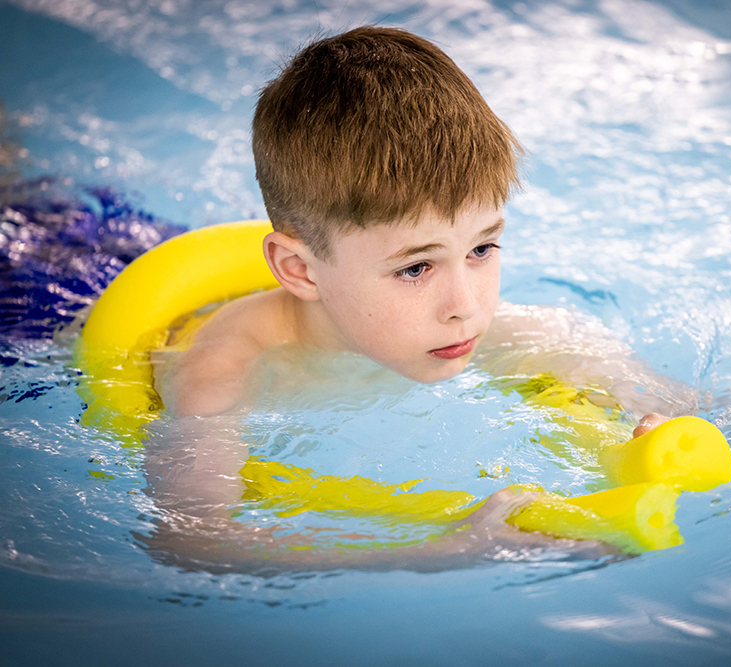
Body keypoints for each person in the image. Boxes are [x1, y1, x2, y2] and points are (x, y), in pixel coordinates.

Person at [145, 26, 695, 571]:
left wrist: (646, 423)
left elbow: (684, 406)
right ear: (300, 271)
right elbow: (191, 542)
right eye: (416, 267)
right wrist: (440, 553)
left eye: (482, 248)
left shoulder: (481, 325)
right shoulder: (220, 380)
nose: (466, 305)